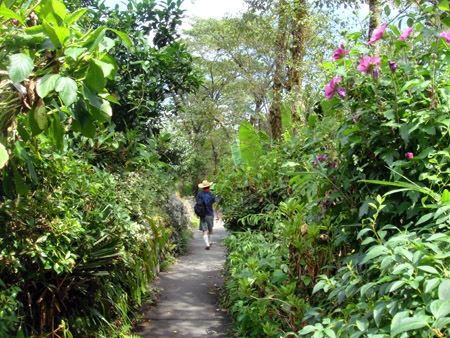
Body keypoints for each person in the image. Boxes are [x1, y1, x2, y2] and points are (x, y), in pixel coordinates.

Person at [196, 180, 217, 250]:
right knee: (210, 229)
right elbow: (215, 205)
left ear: (202, 187)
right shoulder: (212, 195)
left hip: (202, 214)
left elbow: (197, 204)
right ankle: (210, 241)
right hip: (210, 214)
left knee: (204, 230)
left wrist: (197, 213)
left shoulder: (200, 194)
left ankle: (207, 244)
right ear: (209, 186)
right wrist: (217, 214)